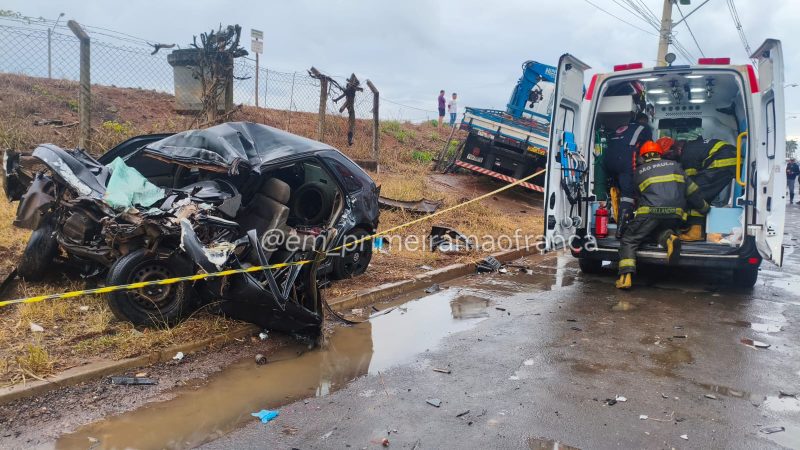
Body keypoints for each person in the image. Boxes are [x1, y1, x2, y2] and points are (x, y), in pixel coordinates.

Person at [616, 141, 710, 289]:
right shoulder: (676, 166)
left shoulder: (638, 172)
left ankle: (625, 277)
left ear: (642, 157)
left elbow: (637, 199)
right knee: (655, 230)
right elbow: (692, 192)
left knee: (629, 239)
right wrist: (705, 208)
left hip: (651, 213)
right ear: (660, 153)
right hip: (675, 216)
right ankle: (669, 238)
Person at [600, 112, 652, 238]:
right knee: (627, 195)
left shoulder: (622, 127)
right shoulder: (644, 128)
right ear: (644, 120)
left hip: (607, 160)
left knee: (613, 191)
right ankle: (620, 229)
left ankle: (609, 218)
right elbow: (648, 148)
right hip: (625, 161)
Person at [679, 136, 737, 241]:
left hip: (723, 162)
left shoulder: (687, 154)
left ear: (678, 148)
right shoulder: (694, 147)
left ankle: (696, 232)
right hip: (733, 160)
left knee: (695, 194)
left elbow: (690, 180)